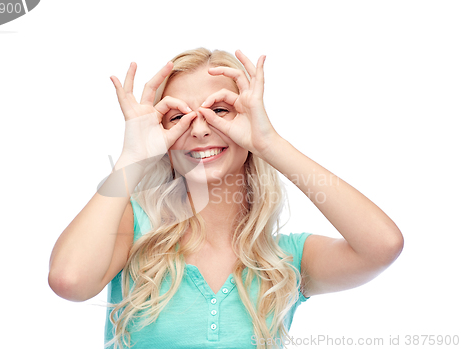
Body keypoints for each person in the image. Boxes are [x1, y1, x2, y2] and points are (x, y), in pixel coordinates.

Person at [48, 48, 404, 349]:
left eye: (219, 111)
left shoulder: (285, 262)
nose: (200, 128)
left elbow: (383, 245)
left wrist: (269, 144)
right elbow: (69, 281)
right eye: (178, 117)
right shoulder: (133, 228)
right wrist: (132, 158)